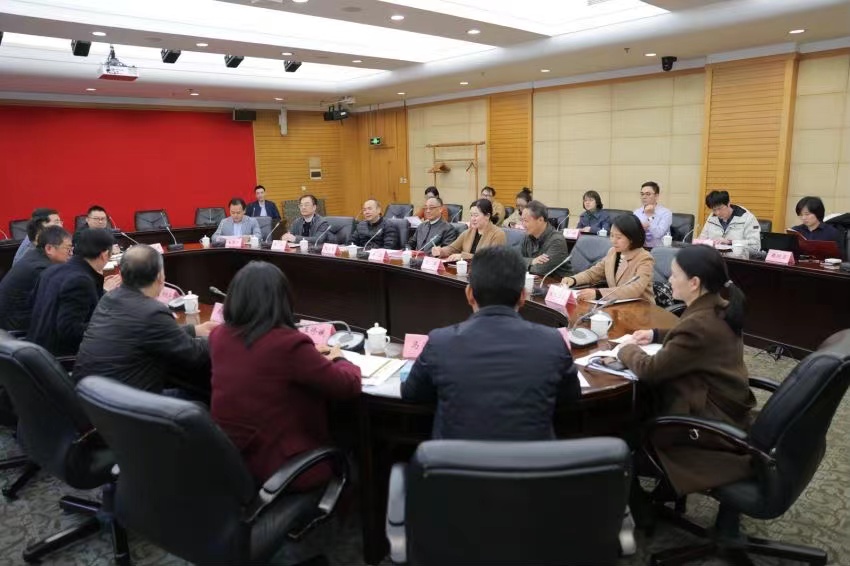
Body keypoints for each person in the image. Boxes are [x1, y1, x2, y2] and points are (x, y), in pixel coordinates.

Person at [616, 244, 755, 496]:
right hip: (728, 406)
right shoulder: (720, 307)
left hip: (707, 424)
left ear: (694, 283)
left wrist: (625, 350)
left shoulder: (699, 325)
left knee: (623, 430)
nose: (669, 280)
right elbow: (692, 336)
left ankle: (640, 505)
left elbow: (649, 369)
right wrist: (655, 334)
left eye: (674, 274)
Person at [402, 246, 580, 439]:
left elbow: (412, 394)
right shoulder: (553, 342)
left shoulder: (440, 342)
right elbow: (570, 398)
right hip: (532, 458)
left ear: (469, 294)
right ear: (523, 296)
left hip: (457, 457)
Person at [209, 262, 361, 488]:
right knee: (355, 449)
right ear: (281, 300)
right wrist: (340, 359)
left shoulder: (219, 336)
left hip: (234, 463)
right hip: (284, 468)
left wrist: (309, 355)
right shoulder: (288, 345)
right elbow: (348, 385)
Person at [73, 244, 218, 394]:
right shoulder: (153, 311)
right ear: (160, 277)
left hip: (91, 396)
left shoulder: (108, 298)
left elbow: (147, 332)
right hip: (128, 401)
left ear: (121, 275)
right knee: (201, 393)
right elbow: (193, 354)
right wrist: (221, 337)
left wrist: (194, 330)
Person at [27, 228, 120, 356]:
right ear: (104, 255)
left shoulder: (52, 270)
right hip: (60, 358)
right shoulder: (80, 280)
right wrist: (110, 323)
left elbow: (31, 304)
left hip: (36, 349)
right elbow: (70, 331)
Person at [562, 213, 654, 302]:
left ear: (631, 238)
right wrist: (574, 279)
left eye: (618, 237)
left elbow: (635, 289)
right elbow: (594, 273)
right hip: (616, 305)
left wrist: (599, 294)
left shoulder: (644, 258)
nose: (613, 241)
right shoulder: (613, 252)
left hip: (641, 307)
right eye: (612, 235)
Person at [0, 225, 72, 332]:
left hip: (11, 321)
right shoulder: (41, 269)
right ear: (49, 248)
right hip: (17, 328)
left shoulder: (34, 255)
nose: (71, 253)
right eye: (68, 249)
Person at [432, 199, 506, 260]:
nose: (472, 219)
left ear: (487, 216)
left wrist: (463, 256)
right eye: (471, 215)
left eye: (476, 215)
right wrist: (441, 251)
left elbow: (491, 259)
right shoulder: (468, 232)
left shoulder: (498, 234)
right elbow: (452, 248)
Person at [519, 200, 570, 278]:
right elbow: (515, 260)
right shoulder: (527, 236)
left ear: (540, 220)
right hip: (534, 281)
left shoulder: (557, 241)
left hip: (557, 282)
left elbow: (539, 270)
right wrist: (532, 261)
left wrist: (523, 263)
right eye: (521, 220)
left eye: (526, 221)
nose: (523, 225)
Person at [633, 181, 672, 248]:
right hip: (640, 248)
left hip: (658, 249)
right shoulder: (637, 212)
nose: (644, 197)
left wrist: (650, 216)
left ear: (656, 196)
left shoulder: (666, 213)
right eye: (642, 194)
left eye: (648, 194)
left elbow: (657, 235)